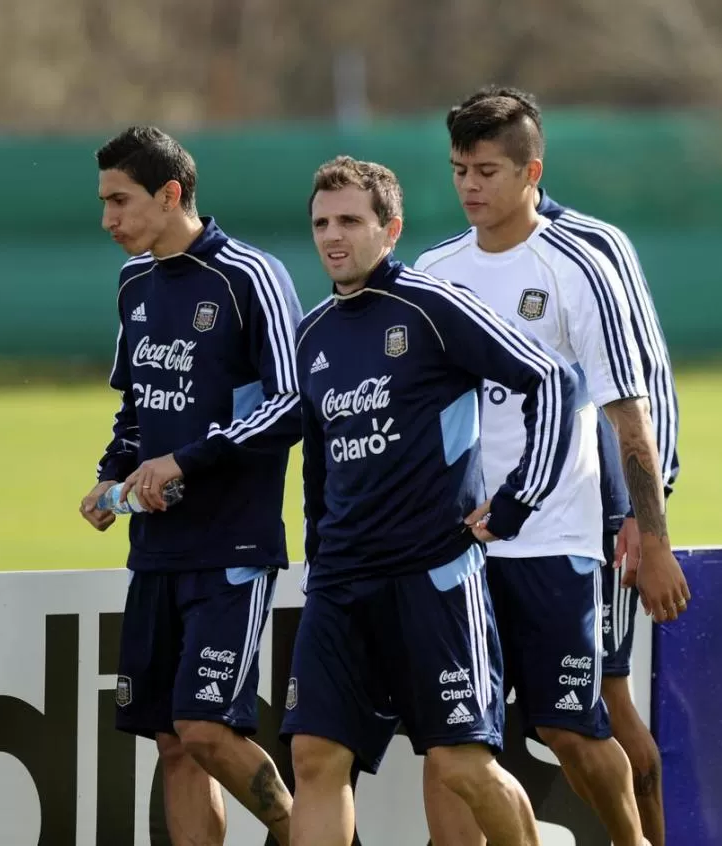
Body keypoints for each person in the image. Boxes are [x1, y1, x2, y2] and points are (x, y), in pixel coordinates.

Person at [280, 155, 579, 846]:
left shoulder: (430, 306)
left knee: (460, 764)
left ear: (391, 229)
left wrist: (517, 501)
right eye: (322, 222)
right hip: (341, 585)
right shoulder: (313, 334)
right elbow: (318, 464)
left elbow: (552, 380)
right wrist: (319, 555)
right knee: (314, 758)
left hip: (433, 578)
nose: (334, 236)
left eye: (351, 220)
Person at [416, 93, 689, 846]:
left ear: (532, 171)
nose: (470, 186)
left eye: (488, 171)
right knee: (452, 742)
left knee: (573, 729)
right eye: (459, 170)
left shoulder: (578, 269)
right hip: (458, 548)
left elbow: (628, 414)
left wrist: (652, 531)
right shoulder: (433, 273)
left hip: (556, 540)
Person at [79, 126, 300, 846]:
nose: (109, 219)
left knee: (206, 728)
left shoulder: (249, 276)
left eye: (121, 201)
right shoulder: (134, 283)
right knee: (174, 741)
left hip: (232, 544)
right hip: (157, 549)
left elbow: (290, 403)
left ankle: (321, 836)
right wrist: (112, 475)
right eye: (105, 202)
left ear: (170, 194)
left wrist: (188, 461)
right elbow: (139, 406)